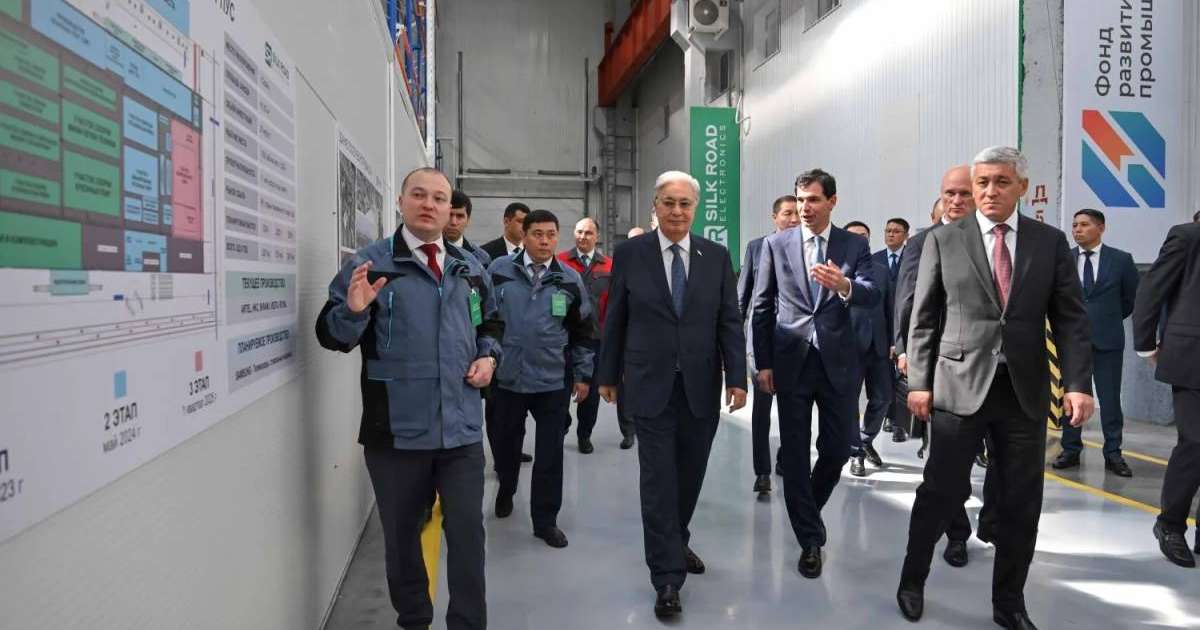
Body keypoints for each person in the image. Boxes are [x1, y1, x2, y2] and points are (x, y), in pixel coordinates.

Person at [896, 146, 1094, 629]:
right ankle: (911, 579)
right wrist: (918, 383)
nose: (988, 191)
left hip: (1024, 391)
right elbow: (922, 320)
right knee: (940, 491)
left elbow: (1070, 319)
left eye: (1000, 182)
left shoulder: (1049, 243)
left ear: (1021, 188)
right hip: (957, 387)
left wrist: (1077, 384)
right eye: (981, 182)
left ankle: (1009, 603)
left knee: (1023, 501)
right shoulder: (945, 239)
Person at [315, 167, 501, 630]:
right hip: (395, 434)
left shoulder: (469, 267)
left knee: (466, 535)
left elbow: (490, 326)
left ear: (449, 209)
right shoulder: (371, 264)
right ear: (400, 202)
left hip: (459, 431)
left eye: (439, 198)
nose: (429, 204)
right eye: (419, 195)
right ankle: (414, 620)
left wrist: (488, 358)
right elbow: (331, 335)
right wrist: (354, 312)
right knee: (401, 539)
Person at [597, 170, 746, 619]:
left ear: (694, 208)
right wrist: (608, 373)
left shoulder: (716, 256)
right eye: (668, 203)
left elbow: (728, 321)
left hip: (701, 386)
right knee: (658, 481)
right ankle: (666, 577)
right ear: (655, 206)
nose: (677, 211)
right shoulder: (631, 254)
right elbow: (616, 318)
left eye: (685, 203)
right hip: (648, 385)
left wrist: (736, 377)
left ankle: (676, 540)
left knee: (690, 475)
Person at [750, 168, 879, 579]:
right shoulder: (775, 244)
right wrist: (763, 363)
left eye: (813, 200)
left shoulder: (854, 244)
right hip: (791, 363)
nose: (804, 208)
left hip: (838, 364)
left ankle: (807, 513)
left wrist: (844, 286)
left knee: (839, 449)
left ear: (832, 202)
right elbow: (762, 306)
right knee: (793, 451)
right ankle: (810, 539)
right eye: (800, 199)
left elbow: (872, 293)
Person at [894, 166, 992, 569]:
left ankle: (990, 522)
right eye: (950, 194)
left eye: (964, 194)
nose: (957, 201)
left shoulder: (994, 243)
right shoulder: (925, 242)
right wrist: (906, 353)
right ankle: (956, 533)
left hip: (992, 371)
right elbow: (909, 301)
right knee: (948, 462)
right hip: (941, 368)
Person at [488, 210, 594, 548]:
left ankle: (545, 520)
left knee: (551, 454)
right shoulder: (499, 273)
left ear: (558, 236)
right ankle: (506, 486)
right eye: (537, 234)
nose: (545, 241)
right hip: (506, 377)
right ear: (524, 236)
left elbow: (582, 332)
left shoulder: (569, 280)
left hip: (552, 380)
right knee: (506, 446)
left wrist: (582, 374)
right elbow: (482, 319)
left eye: (550, 234)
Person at [1052, 209, 1139, 476]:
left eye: (1084, 225)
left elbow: (1129, 300)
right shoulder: (1063, 257)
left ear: (1101, 228)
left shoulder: (1121, 260)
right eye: (1075, 225)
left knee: (1110, 399)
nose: (1077, 229)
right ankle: (1070, 449)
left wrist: (1104, 320)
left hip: (1108, 340)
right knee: (1072, 397)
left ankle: (1113, 453)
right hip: (1070, 341)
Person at [1133, 220, 1200, 567]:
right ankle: (1170, 524)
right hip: (1193, 358)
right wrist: (1145, 344)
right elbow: (1152, 289)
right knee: (1195, 442)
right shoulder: (1188, 236)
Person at [738, 195, 799, 495]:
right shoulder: (756, 247)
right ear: (774, 217)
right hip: (760, 341)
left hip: (793, 343)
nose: (793, 219)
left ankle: (784, 459)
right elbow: (743, 297)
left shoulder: (806, 247)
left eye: (797, 213)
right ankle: (761, 471)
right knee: (762, 411)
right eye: (787, 213)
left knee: (792, 408)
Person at [558, 217, 635, 452]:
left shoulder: (610, 266)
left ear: (597, 237)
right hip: (563, 337)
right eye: (579, 231)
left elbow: (617, 302)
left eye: (588, 233)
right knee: (559, 389)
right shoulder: (560, 261)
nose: (583, 236)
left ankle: (584, 435)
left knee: (589, 392)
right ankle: (563, 423)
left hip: (595, 338)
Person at [842, 221, 893, 477]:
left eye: (864, 236)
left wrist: (895, 342)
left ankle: (865, 439)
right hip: (849, 345)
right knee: (850, 401)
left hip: (880, 345)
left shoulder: (882, 271)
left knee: (884, 396)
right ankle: (856, 453)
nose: (860, 240)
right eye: (854, 237)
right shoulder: (836, 270)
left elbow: (890, 308)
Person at [879, 218, 910, 440]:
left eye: (896, 231)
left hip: (905, 327)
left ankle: (901, 424)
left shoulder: (913, 259)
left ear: (906, 235)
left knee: (903, 379)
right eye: (888, 231)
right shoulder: (874, 260)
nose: (891, 235)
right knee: (884, 378)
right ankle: (889, 417)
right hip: (881, 328)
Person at [444, 190, 491, 266]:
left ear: (468, 220)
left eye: (460, 216)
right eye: (449, 215)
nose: (453, 222)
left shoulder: (481, 258)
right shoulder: (425, 252)